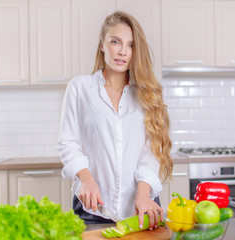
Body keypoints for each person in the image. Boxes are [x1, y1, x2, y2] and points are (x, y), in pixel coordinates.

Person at [56, 11, 173, 230]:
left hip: (142, 210)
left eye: (130, 45)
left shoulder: (148, 94)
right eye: (115, 42)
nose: (122, 52)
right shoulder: (80, 88)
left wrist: (144, 192)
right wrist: (86, 178)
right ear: (102, 44)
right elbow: (67, 142)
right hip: (94, 209)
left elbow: (152, 151)